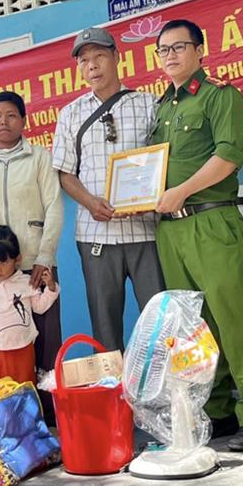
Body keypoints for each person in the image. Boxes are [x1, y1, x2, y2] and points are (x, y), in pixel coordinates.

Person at [150, 19, 243, 452]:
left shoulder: (221, 97)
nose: (170, 55)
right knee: (195, 328)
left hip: (211, 220)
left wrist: (181, 191)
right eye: (162, 50)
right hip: (170, 231)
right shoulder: (162, 108)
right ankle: (218, 411)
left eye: (179, 47)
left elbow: (228, 155)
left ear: (200, 50)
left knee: (232, 316)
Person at [51, 27, 164, 351]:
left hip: (147, 231)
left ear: (116, 56)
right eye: (84, 60)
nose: (92, 65)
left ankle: (164, 397)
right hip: (95, 234)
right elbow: (65, 173)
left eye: (99, 56)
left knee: (159, 321)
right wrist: (89, 202)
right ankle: (115, 399)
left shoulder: (148, 104)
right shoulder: (70, 114)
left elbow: (162, 160)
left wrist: (151, 197)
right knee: (105, 325)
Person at [0, 91, 63, 417]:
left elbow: (55, 208)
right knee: (0, 347)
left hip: (35, 267)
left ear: (23, 121)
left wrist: (44, 258)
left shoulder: (39, 158)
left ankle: (48, 423)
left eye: (11, 115)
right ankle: (6, 422)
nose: (3, 122)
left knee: (44, 349)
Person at [0, 226, 59, 384]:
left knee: (24, 390)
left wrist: (51, 288)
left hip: (23, 349)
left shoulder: (26, 283)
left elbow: (39, 307)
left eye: (3, 261)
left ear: (17, 259)